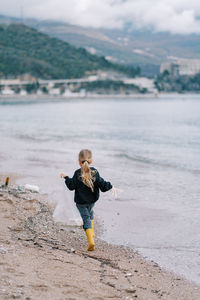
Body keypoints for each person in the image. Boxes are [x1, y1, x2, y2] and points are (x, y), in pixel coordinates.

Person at [60, 149, 112, 251]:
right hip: (92, 201)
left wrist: (66, 178)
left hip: (81, 202)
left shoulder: (77, 173)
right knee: (90, 212)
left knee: (86, 218)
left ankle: (91, 241)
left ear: (79, 161)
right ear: (91, 160)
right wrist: (110, 185)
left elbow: (71, 186)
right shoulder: (95, 172)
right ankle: (91, 233)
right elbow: (102, 185)